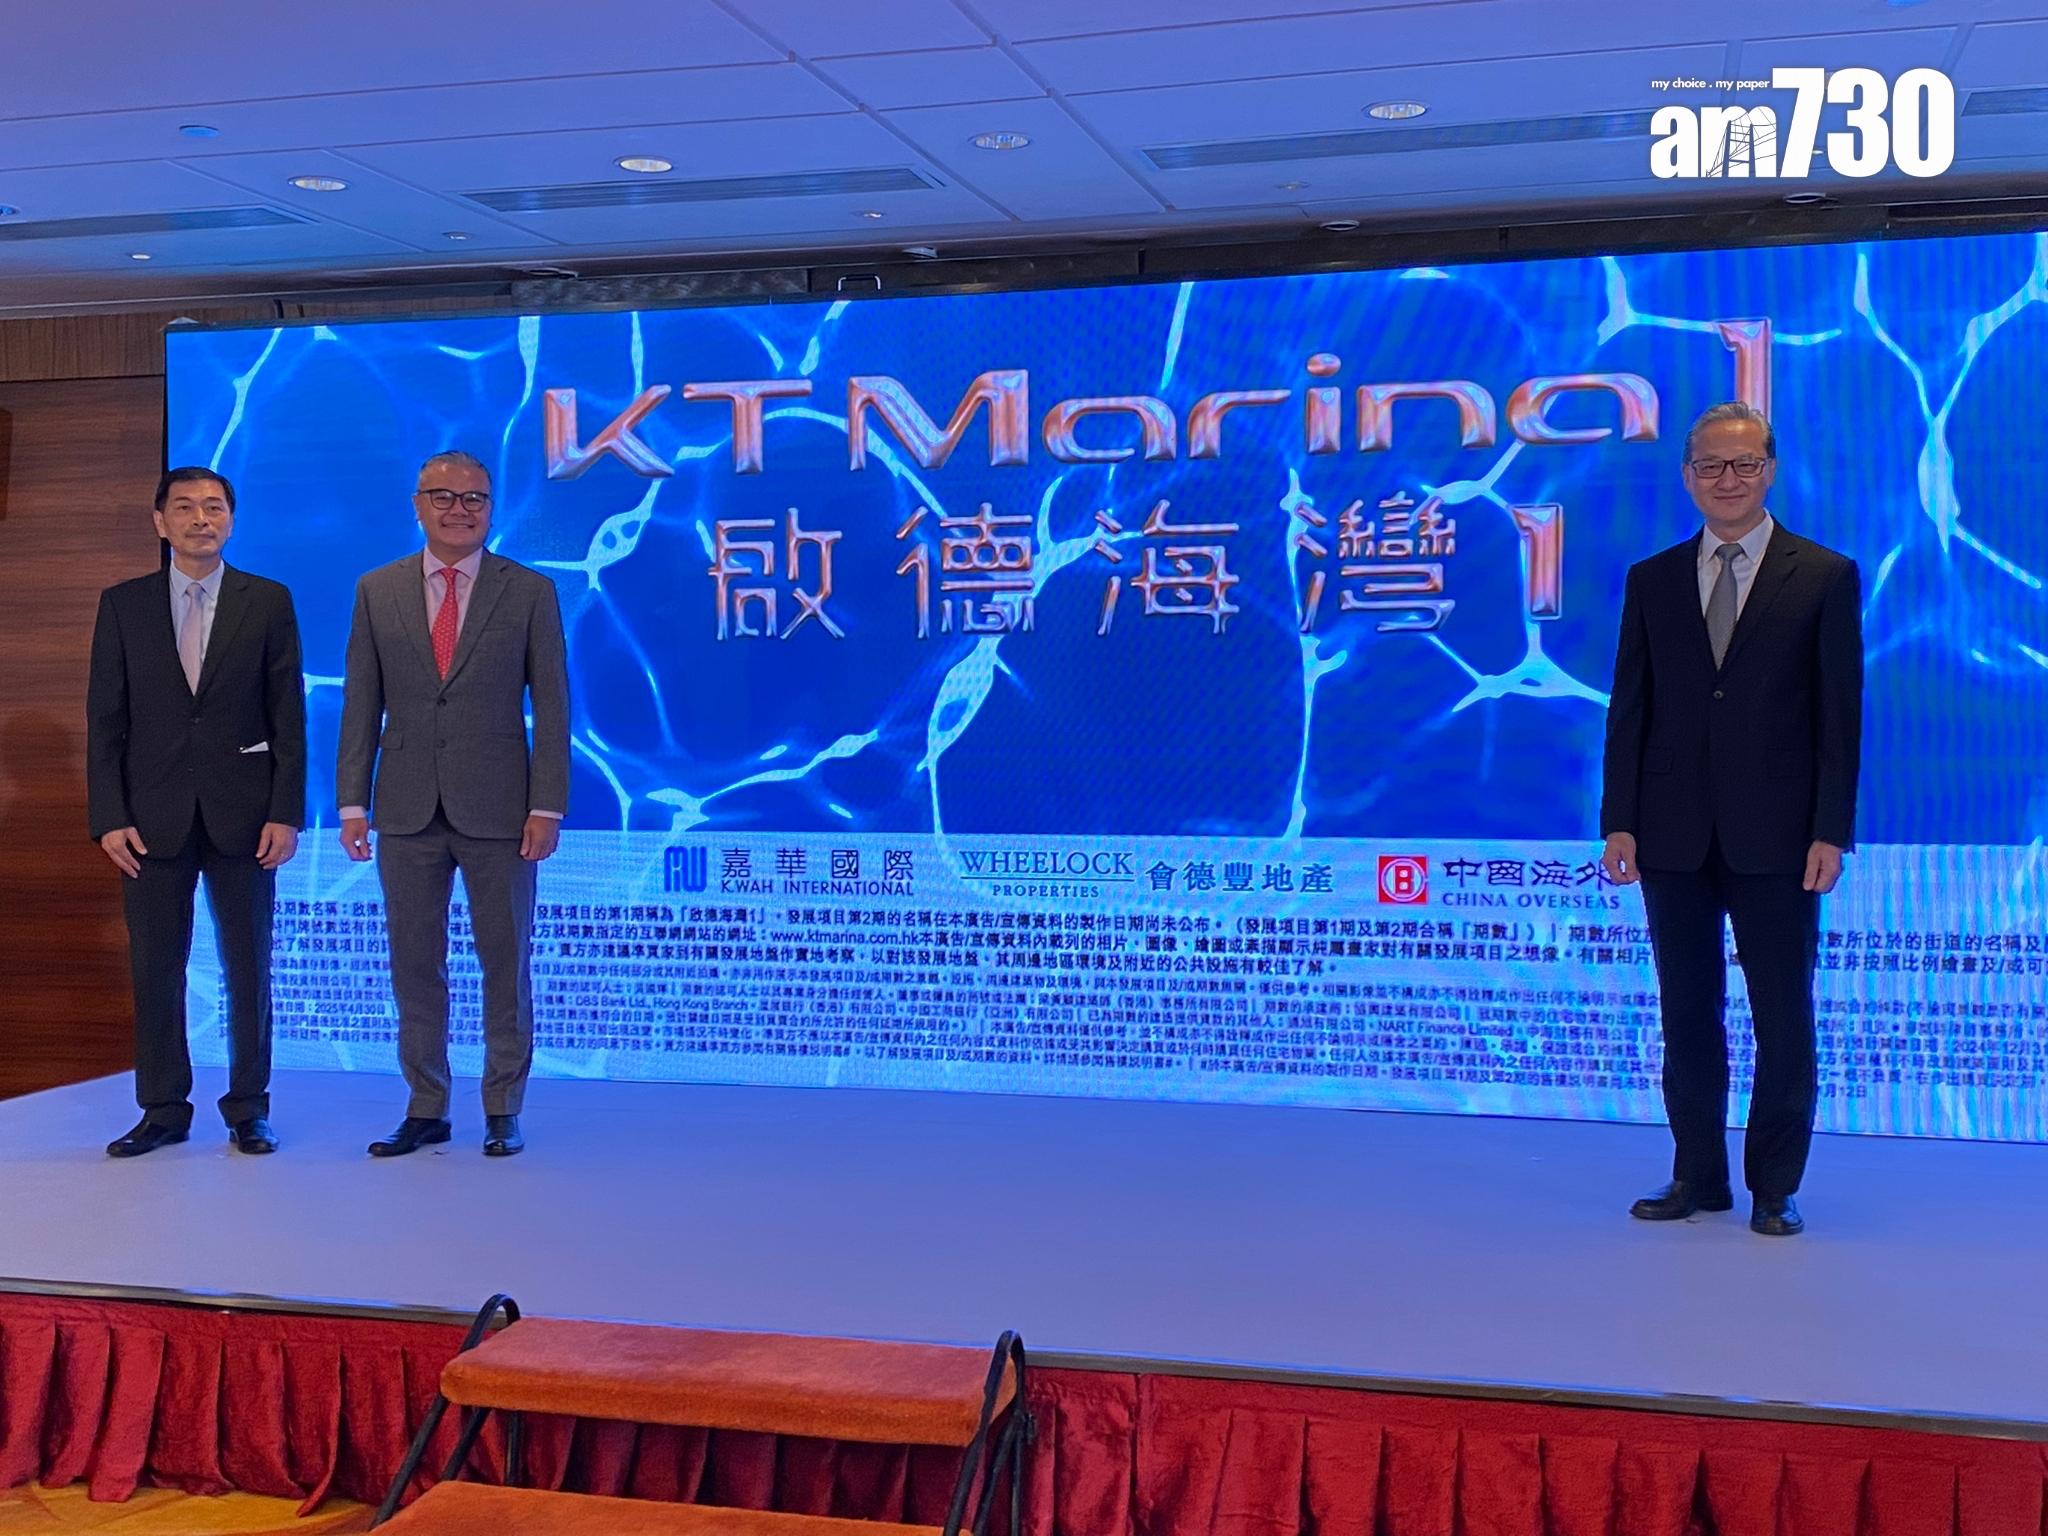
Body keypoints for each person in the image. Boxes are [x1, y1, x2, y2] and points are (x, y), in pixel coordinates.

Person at [1600, 401, 1863, 1237]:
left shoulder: (1822, 575)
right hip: (1670, 833)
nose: (1728, 479)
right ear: (1687, 476)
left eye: (1744, 464)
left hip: (1781, 838)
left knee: (1782, 1016)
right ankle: (1697, 1176)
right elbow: (1630, 708)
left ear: (1770, 471)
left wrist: (1830, 830)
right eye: (1711, 464)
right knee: (1687, 1012)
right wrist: (1619, 819)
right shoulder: (1652, 579)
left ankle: (1774, 1186)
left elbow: (1839, 717)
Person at [337, 451, 569, 1158]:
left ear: (491, 509)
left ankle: (502, 1106)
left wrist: (547, 805)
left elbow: (553, 706)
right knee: (414, 963)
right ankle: (426, 1105)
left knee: (506, 961)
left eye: (474, 498)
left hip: (502, 809)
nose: (458, 509)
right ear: (417, 505)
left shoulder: (528, 591)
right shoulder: (377, 589)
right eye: (443, 496)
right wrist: (351, 803)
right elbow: (361, 703)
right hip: (404, 808)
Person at [86, 468, 305, 1157]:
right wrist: (109, 816)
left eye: (214, 507)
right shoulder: (123, 605)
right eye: (184, 507)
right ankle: (162, 1109)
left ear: (231, 520)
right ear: (161, 522)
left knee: (249, 967)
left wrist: (286, 812)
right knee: (156, 968)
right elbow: (105, 720)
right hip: (150, 820)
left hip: (246, 815)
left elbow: (288, 716)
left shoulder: (267, 600)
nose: (200, 519)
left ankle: (249, 1109)